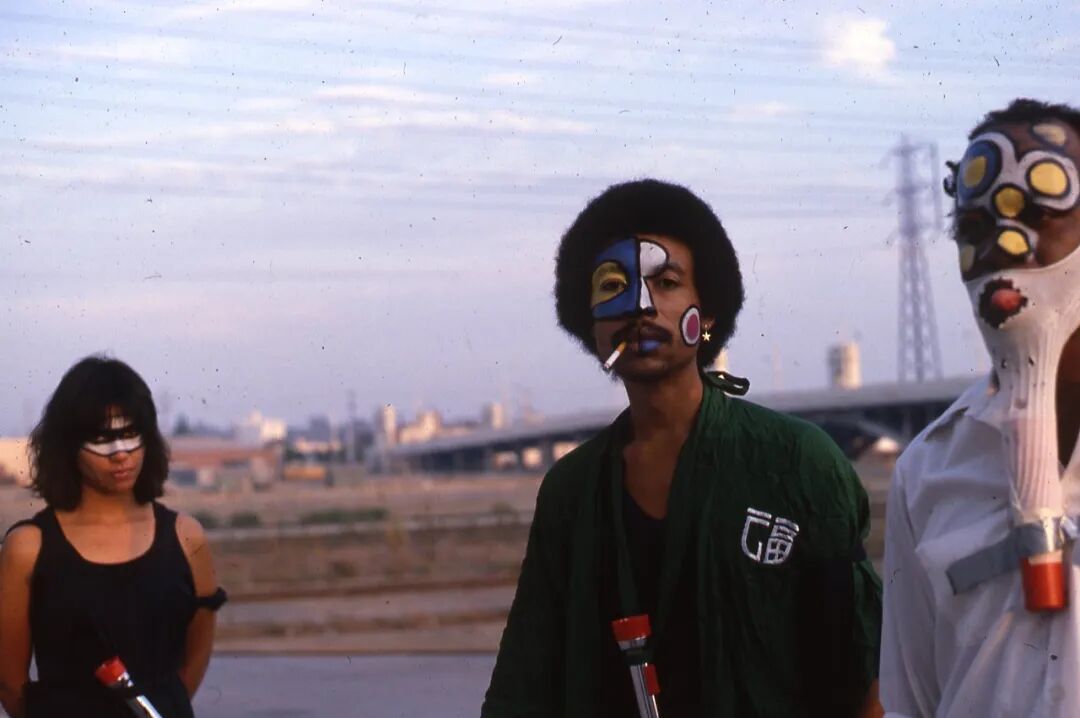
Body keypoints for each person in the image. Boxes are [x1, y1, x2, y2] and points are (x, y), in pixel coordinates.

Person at [481, 179, 882, 717]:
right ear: (592, 325)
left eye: (666, 282)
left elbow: (868, 672)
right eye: (614, 286)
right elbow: (524, 681)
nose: (641, 306)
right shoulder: (570, 491)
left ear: (707, 313)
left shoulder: (797, 461)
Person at [880, 98, 1080, 717]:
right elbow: (911, 699)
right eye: (972, 228)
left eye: (1039, 215)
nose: (1001, 247)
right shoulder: (927, 471)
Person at [0, 356, 227, 718]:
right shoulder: (28, 548)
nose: (120, 453)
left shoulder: (187, 537)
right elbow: (11, 684)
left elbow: (194, 658)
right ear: (67, 445)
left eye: (131, 433)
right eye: (101, 438)